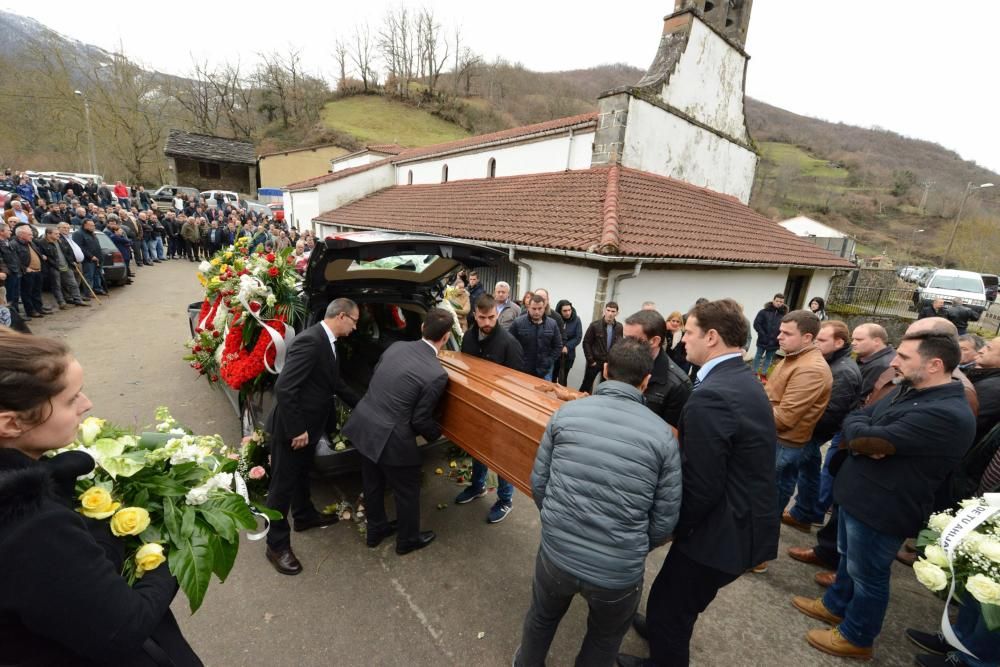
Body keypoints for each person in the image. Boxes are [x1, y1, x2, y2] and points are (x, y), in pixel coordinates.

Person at [0, 330, 202, 666]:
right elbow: (123, 630)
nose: (87, 404)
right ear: (12, 423)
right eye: (70, 399)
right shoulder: (30, 526)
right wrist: (169, 554)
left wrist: (52, 481)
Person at [794, 329, 976, 660]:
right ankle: (835, 606)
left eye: (904, 357)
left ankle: (857, 636)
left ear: (935, 364)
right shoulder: (910, 389)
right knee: (849, 561)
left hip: (884, 508)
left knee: (869, 576)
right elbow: (858, 416)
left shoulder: (947, 413)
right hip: (858, 494)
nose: (894, 361)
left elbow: (865, 440)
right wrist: (866, 433)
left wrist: (866, 436)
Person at [619, 299, 778, 667]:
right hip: (738, 521)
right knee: (672, 599)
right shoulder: (738, 378)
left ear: (711, 336)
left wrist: (668, 530)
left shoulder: (712, 397)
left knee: (671, 606)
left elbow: (700, 485)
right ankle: (660, 626)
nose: (682, 339)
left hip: (722, 533)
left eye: (687, 332)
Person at [515, 338, 681, 667]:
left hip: (556, 556)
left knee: (541, 619)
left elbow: (539, 484)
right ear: (646, 381)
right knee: (603, 640)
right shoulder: (664, 437)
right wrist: (628, 546)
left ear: (604, 371)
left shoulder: (566, 414)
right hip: (618, 574)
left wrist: (557, 526)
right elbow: (665, 521)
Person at [343, 308, 452, 555]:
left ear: (423, 327)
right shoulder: (436, 374)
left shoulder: (396, 347)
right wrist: (439, 434)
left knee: (372, 482)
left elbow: (378, 380)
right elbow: (421, 418)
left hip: (365, 422)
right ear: (446, 337)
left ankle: (376, 530)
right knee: (407, 490)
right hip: (392, 437)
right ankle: (407, 540)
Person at [263, 299, 361, 575]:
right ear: (341, 316)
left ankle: (304, 516)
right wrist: (297, 429)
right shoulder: (311, 341)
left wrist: (363, 405)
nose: (355, 328)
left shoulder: (327, 342)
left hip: (309, 428)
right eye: (354, 321)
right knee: (281, 487)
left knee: (302, 474)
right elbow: (285, 387)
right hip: (293, 430)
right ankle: (276, 545)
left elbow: (334, 383)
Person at [784, 320, 861, 554]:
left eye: (822, 340)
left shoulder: (844, 371)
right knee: (808, 468)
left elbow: (832, 413)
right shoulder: (833, 363)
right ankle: (806, 512)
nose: (816, 344)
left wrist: (804, 427)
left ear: (839, 342)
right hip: (811, 430)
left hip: (811, 431)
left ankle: (805, 513)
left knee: (791, 472)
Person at [764, 310, 832, 570]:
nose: (779, 336)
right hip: (778, 441)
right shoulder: (794, 357)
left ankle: (756, 556)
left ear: (807, 337)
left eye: (786, 333)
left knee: (769, 501)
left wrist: (753, 402)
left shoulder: (811, 369)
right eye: (780, 331)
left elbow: (784, 418)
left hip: (783, 443)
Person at [456, 295, 524, 523]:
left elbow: (517, 383)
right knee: (478, 449)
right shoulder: (468, 338)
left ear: (497, 314)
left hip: (502, 410)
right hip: (477, 406)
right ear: (475, 315)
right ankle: (478, 487)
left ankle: (505, 500)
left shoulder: (509, 343)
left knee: (502, 456)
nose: (487, 322)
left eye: (492, 317)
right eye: (483, 317)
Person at [624, 309, 692, 429]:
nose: (625, 345)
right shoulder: (622, 364)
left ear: (654, 341)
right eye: (625, 338)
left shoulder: (678, 385)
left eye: (632, 340)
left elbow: (673, 436)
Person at [509, 294, 562, 380]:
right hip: (523, 370)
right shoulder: (518, 323)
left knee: (543, 393)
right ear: (528, 308)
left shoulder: (552, 324)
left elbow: (558, 346)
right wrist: (518, 361)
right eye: (534, 309)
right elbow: (510, 344)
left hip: (545, 371)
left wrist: (549, 361)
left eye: (540, 308)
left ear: (544, 308)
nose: (537, 312)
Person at [579, 302, 622, 392]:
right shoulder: (595, 325)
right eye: (608, 310)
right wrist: (590, 360)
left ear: (617, 313)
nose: (610, 313)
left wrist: (615, 361)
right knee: (586, 385)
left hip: (609, 363)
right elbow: (586, 343)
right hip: (595, 361)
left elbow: (619, 344)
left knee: (605, 387)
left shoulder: (619, 327)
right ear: (604, 311)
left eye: (613, 311)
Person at [851, 323, 896, 400]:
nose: (853, 343)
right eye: (853, 339)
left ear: (876, 341)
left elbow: (859, 396)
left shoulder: (880, 365)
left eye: (859, 340)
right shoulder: (864, 355)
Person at [13, 225, 49, 318]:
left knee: (37, 291)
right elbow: (14, 260)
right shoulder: (14, 244)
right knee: (27, 293)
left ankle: (38, 308)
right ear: (21, 235)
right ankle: (31, 311)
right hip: (27, 273)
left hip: (37, 271)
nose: (32, 236)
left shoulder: (30, 242)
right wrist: (25, 268)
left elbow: (37, 253)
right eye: (29, 234)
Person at [752, 294, 787, 377]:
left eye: (781, 302)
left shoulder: (784, 315)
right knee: (758, 356)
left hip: (775, 341)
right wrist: (762, 334)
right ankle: (754, 373)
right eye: (777, 301)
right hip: (762, 339)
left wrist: (779, 338)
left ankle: (763, 374)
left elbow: (785, 328)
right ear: (773, 300)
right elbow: (757, 324)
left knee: (768, 358)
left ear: (783, 303)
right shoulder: (763, 312)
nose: (778, 303)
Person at [72, 219, 107, 295]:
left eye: (93, 225)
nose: (93, 227)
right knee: (89, 276)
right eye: (91, 225)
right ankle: (88, 292)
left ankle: (97, 289)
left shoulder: (92, 233)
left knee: (97, 275)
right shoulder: (78, 234)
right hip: (88, 260)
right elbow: (80, 247)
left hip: (98, 258)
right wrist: (91, 256)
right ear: (85, 225)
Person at [553, 299, 582, 386]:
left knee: (563, 378)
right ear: (559, 311)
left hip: (568, 355)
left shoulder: (576, 320)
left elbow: (578, 337)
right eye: (565, 311)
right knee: (552, 377)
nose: (568, 313)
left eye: (569, 310)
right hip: (555, 354)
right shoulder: (555, 319)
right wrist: (560, 346)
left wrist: (567, 347)